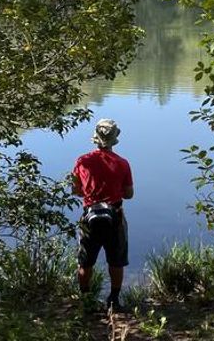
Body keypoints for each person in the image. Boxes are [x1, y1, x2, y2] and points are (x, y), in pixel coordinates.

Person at [71, 118, 134, 312]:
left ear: (96, 138)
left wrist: (90, 192)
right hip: (114, 216)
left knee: (85, 260)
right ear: (115, 139)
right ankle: (114, 301)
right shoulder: (122, 163)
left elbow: (76, 191)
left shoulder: (82, 161)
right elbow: (129, 194)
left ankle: (85, 299)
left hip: (89, 218)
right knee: (116, 261)